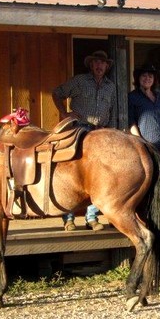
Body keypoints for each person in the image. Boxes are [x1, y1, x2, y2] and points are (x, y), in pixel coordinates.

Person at [51, 50, 116, 231]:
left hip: (99, 133)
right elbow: (57, 93)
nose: (99, 66)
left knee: (98, 175)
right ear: (91, 64)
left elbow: (111, 110)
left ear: (107, 66)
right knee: (71, 173)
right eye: (96, 62)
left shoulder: (110, 87)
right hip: (78, 130)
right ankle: (69, 218)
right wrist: (64, 113)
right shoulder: (79, 81)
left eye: (102, 63)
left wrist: (108, 129)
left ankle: (92, 217)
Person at [128, 64, 160, 164]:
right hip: (147, 147)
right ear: (138, 78)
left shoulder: (159, 96)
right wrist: (141, 143)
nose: (147, 78)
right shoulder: (132, 97)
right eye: (144, 76)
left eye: (150, 76)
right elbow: (131, 122)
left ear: (154, 79)